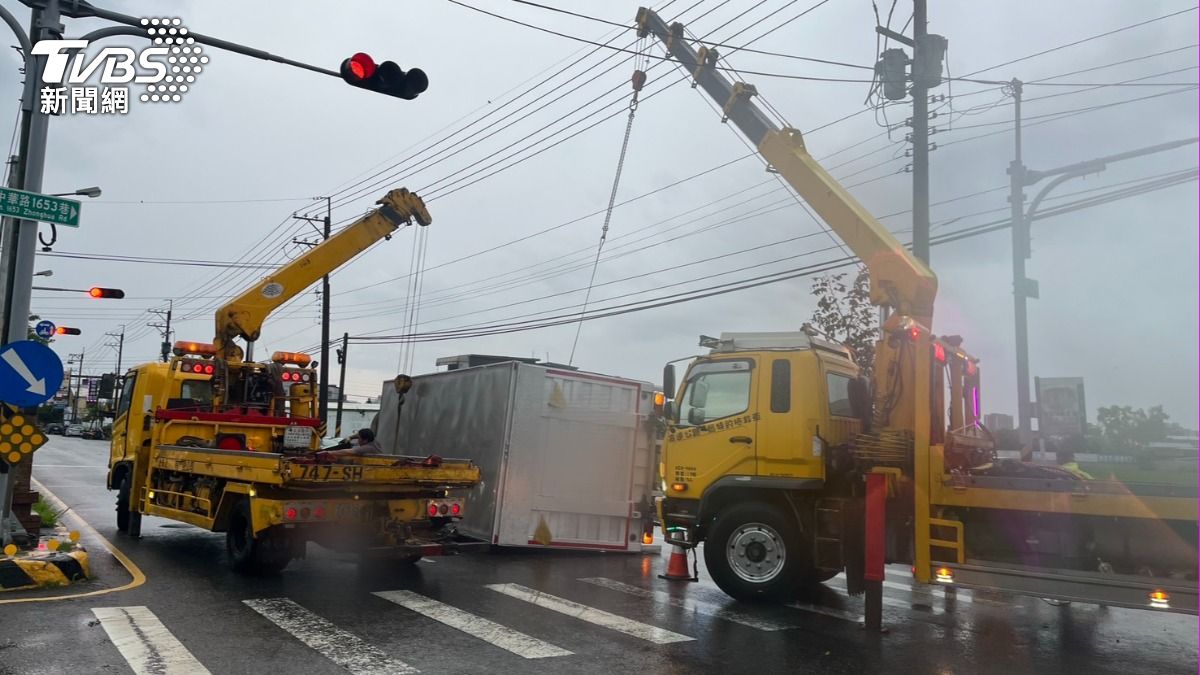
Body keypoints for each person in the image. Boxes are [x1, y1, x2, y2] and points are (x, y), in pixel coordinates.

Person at [315, 428, 382, 461]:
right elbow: (358, 434)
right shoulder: (373, 440)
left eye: (359, 438)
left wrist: (328, 452)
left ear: (365, 440)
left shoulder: (367, 448)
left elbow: (348, 451)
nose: (358, 440)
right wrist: (351, 437)